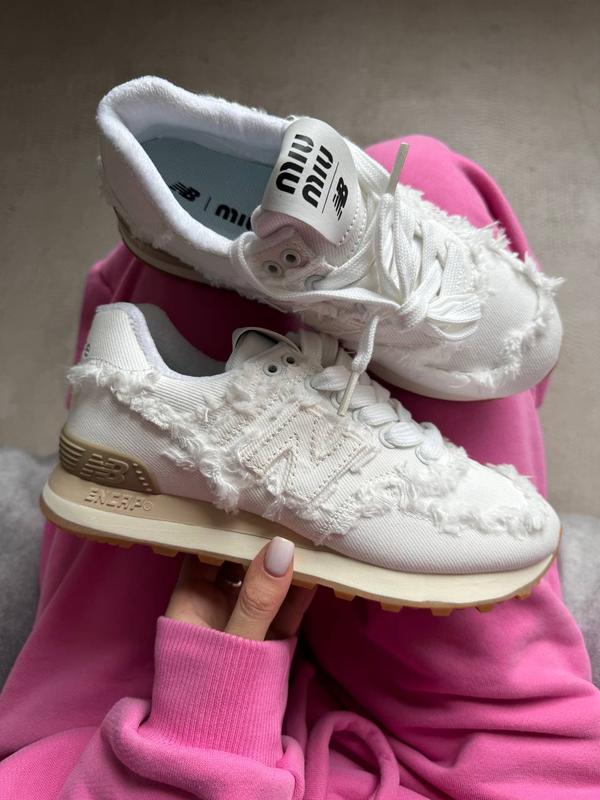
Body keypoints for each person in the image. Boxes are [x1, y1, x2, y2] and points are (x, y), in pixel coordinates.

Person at [1, 134, 599, 799]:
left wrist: (197, 737)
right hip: (483, 749)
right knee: (419, 181)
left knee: (199, 286)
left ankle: (172, 319)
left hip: (116, 727)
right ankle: (266, 272)